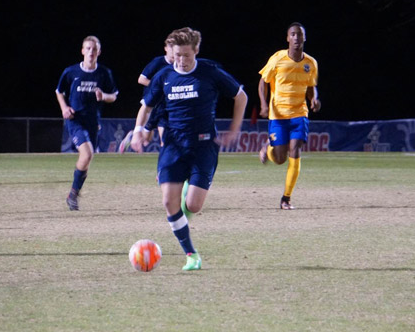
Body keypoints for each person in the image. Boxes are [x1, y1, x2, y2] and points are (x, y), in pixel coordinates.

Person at [131, 27, 248, 270]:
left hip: (204, 146)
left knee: (193, 205)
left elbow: (241, 96)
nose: (181, 61)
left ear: (196, 50)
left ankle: (190, 187)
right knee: (168, 202)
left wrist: (234, 130)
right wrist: (139, 130)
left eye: (186, 55)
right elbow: (146, 106)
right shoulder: (164, 76)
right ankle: (191, 255)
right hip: (173, 146)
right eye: (177, 55)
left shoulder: (209, 72)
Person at [257, 22, 321, 210]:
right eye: (292, 34)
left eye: (299, 34)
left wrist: (314, 100)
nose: (296, 38)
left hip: (299, 114)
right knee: (279, 158)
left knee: (295, 151)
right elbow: (263, 82)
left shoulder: (311, 63)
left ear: (304, 38)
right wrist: (263, 104)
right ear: (287, 38)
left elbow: (311, 86)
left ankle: (286, 198)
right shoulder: (277, 59)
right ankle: (268, 149)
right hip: (278, 115)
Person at [55, 35, 118, 210]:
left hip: (93, 122)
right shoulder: (71, 72)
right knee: (87, 154)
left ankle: (73, 194)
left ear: (99, 52)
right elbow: (59, 91)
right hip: (76, 121)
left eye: (94, 49)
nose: (91, 52)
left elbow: (113, 96)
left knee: (87, 160)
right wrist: (64, 108)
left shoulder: (104, 73)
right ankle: (73, 195)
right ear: (82, 51)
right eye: (88, 48)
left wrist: (103, 96)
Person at [119, 36, 174, 153]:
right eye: (171, 47)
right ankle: (132, 135)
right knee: (147, 139)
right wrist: (159, 87)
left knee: (156, 139)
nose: (173, 50)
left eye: (175, 47)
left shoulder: (177, 66)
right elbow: (141, 79)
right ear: (165, 48)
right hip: (153, 104)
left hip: (166, 105)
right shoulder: (158, 62)